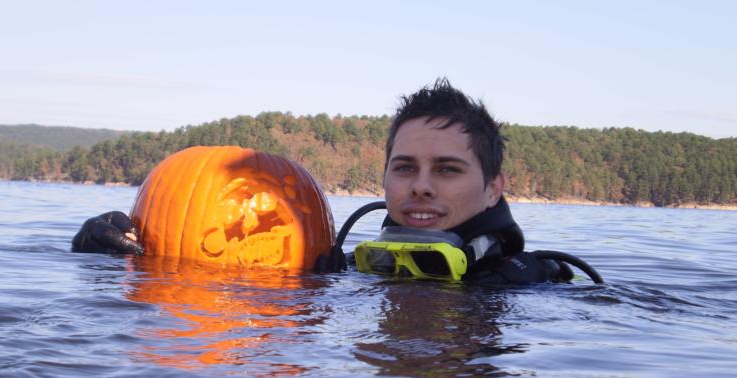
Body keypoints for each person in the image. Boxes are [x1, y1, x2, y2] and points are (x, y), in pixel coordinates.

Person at [74, 79, 601, 284]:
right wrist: (106, 255)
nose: (420, 186)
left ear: (493, 188)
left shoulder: (537, 283)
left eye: (447, 169)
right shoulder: (341, 270)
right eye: (405, 168)